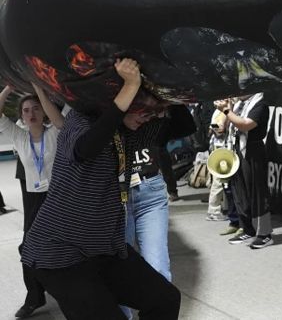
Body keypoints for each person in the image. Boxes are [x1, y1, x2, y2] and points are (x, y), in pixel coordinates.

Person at [20, 58, 180, 319]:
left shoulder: (127, 132)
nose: (147, 117)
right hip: (60, 256)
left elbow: (178, 127)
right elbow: (87, 149)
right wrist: (129, 86)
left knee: (165, 299)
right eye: (143, 110)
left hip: (104, 248)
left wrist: (170, 96)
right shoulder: (79, 122)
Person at [0, 83, 64, 318]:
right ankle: (34, 297)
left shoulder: (54, 133)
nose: (31, 114)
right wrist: (8, 88)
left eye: (36, 108)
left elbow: (58, 120)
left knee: (64, 248)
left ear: (44, 111)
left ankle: (71, 294)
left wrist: (39, 90)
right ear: (22, 117)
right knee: (28, 249)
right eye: (26, 110)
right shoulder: (19, 137)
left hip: (58, 198)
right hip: (34, 200)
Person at [122, 103, 196, 283]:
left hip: (150, 192)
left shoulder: (153, 120)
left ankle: (161, 310)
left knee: (158, 268)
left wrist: (167, 101)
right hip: (116, 196)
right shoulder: (103, 113)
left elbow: (186, 126)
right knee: (122, 273)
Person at [216, 93, 275, 249]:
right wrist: (222, 121)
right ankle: (248, 229)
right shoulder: (237, 104)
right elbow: (227, 126)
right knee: (240, 192)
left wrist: (228, 111)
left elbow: (245, 124)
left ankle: (264, 234)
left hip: (253, 151)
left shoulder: (260, 104)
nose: (237, 92)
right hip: (236, 150)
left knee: (257, 193)